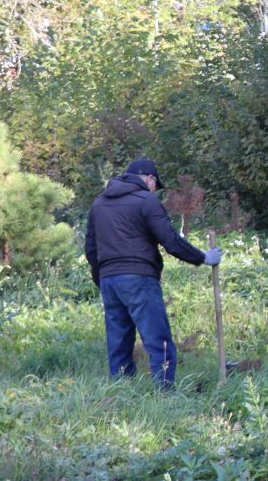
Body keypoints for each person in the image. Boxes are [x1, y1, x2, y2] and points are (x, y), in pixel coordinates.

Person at [83, 158, 219, 387]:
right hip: (138, 278)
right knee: (159, 340)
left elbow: (91, 248)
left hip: (109, 281)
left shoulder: (98, 205)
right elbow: (171, 240)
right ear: (149, 179)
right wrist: (203, 258)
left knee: (118, 342)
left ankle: (121, 391)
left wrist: (102, 278)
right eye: (156, 185)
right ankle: (163, 394)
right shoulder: (146, 201)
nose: (155, 191)